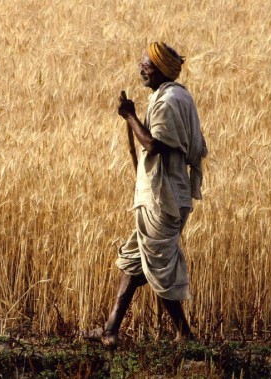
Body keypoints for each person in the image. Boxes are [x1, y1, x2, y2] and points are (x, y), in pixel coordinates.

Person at [90, 42, 207, 348]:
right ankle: (111, 329)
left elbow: (154, 145)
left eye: (147, 65)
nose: (141, 69)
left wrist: (129, 116)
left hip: (163, 199)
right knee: (136, 259)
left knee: (156, 264)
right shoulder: (179, 95)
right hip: (164, 194)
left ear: (161, 70)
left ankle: (184, 333)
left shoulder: (167, 101)